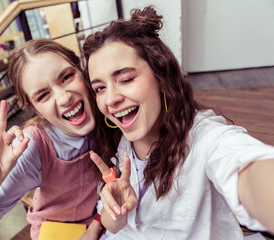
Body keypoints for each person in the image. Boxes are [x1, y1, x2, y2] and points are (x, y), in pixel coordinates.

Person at [82, 6, 274, 240]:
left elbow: (247, 171)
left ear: (161, 76)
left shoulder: (205, 140)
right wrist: (117, 209)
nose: (110, 99)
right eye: (99, 88)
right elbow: (113, 226)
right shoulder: (118, 144)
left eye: (125, 79)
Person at [0, 39, 119, 240]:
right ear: (33, 107)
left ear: (82, 72)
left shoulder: (108, 109)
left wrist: (96, 227)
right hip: (58, 232)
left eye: (66, 77)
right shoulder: (31, 145)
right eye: (43, 95)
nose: (64, 98)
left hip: (105, 220)